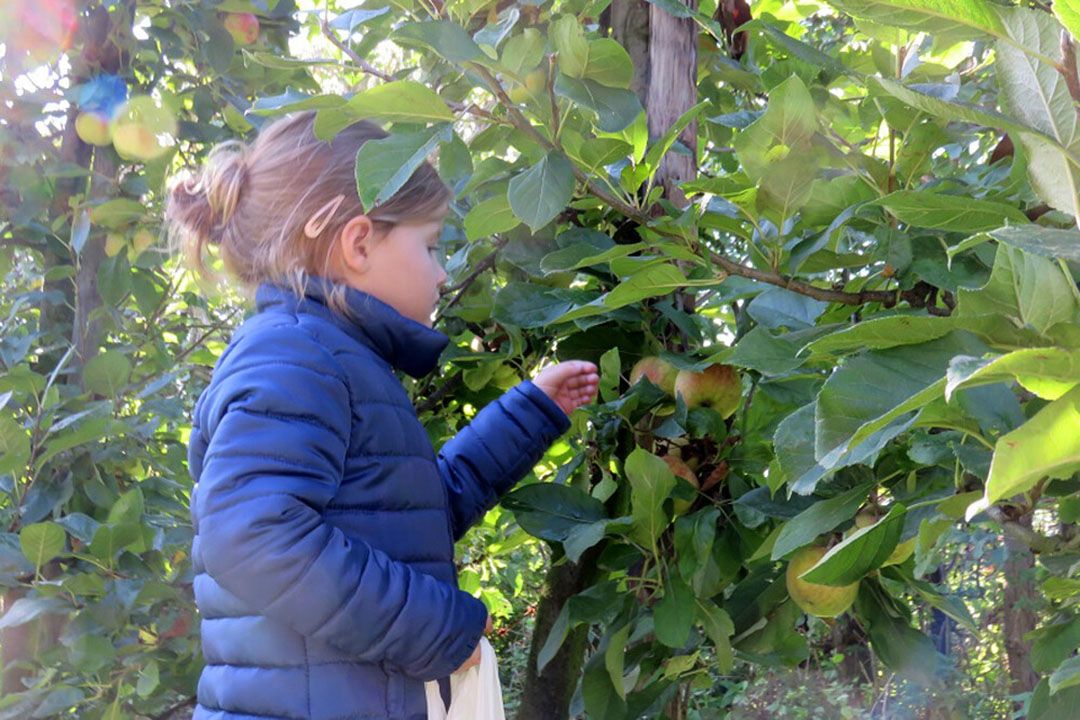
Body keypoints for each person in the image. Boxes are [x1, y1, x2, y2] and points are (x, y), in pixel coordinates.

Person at [166, 111, 600, 720]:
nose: (443, 271)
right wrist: (439, 631)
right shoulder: (294, 354)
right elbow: (251, 536)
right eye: (430, 244)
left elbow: (410, 513)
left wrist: (530, 412)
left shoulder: (331, 357)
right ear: (360, 241)